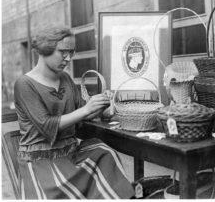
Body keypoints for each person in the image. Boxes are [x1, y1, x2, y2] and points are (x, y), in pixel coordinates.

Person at [13, 27, 135, 199]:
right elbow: (47, 127)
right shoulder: (24, 84)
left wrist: (99, 105)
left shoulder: (65, 78)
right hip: (40, 162)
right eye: (63, 52)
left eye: (71, 53)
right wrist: (86, 109)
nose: (68, 58)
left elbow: (80, 113)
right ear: (45, 48)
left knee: (106, 153)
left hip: (69, 154)